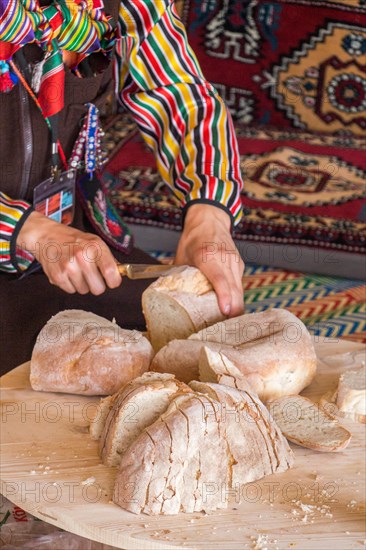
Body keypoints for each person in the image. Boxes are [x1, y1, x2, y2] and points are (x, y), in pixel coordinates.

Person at [0, 0, 244, 373]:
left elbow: (180, 94)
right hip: (27, 237)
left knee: (202, 354)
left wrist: (208, 218)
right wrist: (28, 229)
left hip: (73, 246)